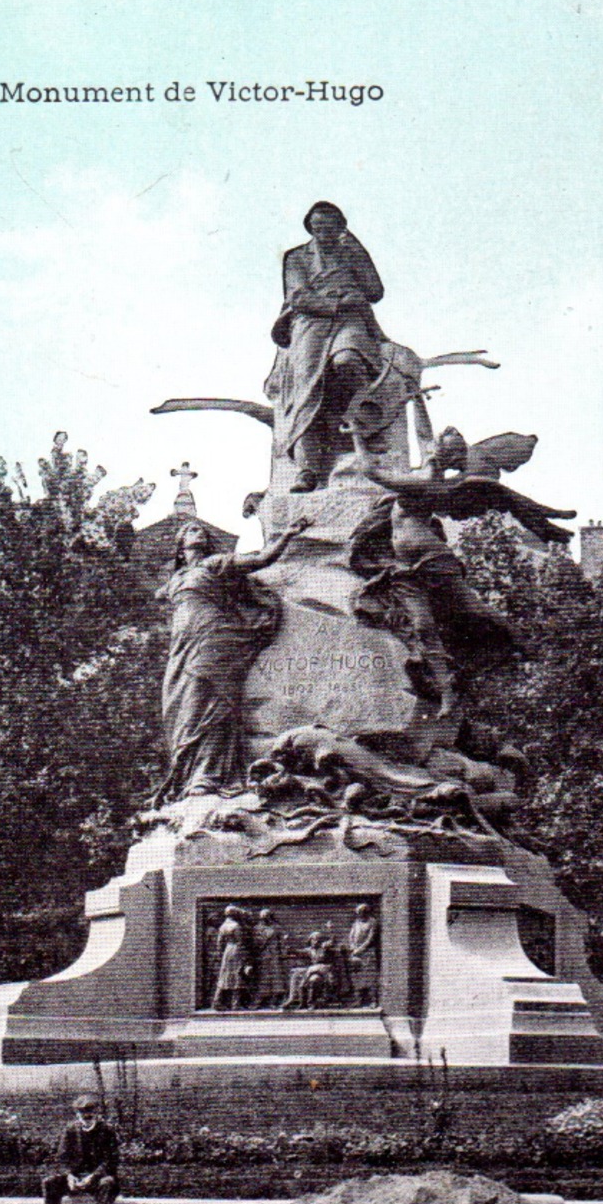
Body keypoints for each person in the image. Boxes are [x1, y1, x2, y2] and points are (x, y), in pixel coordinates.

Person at [154, 517, 311, 802]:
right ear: (180, 547)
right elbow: (161, 597)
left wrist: (288, 534)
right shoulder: (175, 579)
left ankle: (207, 775)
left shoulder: (215, 564)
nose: (199, 531)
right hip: (182, 646)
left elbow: (262, 559)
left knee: (207, 701)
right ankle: (188, 774)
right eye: (191, 530)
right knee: (177, 707)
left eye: (202, 530)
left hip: (214, 637)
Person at [266, 201, 386, 492]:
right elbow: (298, 297)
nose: (323, 232)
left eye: (329, 227)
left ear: (341, 228)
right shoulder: (296, 257)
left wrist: (359, 251)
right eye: (317, 226)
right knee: (307, 386)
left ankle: (364, 429)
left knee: (348, 361)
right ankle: (307, 468)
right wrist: (337, 304)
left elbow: (375, 291)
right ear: (310, 228)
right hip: (311, 321)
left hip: (350, 320)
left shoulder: (352, 253)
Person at [42, 1093, 120, 1204]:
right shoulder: (70, 1130)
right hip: (75, 1177)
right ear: (77, 1115)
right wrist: (69, 1176)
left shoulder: (107, 1131)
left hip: (97, 1178)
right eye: (82, 1114)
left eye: (90, 1114)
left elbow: (111, 1160)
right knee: (49, 1183)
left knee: (108, 1183)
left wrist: (93, 1177)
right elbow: (62, 1157)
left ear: (96, 1113)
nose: (86, 1118)